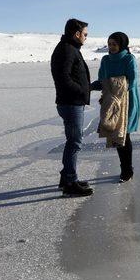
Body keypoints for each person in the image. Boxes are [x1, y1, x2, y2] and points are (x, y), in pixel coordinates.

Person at [50, 18, 94, 197]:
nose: (86, 38)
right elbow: (64, 78)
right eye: (84, 34)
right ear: (76, 34)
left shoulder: (69, 48)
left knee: (73, 141)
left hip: (71, 102)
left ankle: (66, 177)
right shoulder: (67, 50)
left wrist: (88, 87)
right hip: (71, 103)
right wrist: (82, 90)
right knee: (74, 142)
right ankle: (70, 181)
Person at [92, 32, 140, 183]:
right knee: (116, 134)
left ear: (122, 44)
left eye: (114, 44)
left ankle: (127, 170)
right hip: (110, 102)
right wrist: (90, 86)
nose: (111, 47)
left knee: (124, 134)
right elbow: (102, 79)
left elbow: (132, 81)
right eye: (109, 44)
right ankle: (125, 169)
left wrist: (117, 95)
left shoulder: (129, 59)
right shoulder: (106, 60)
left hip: (127, 102)